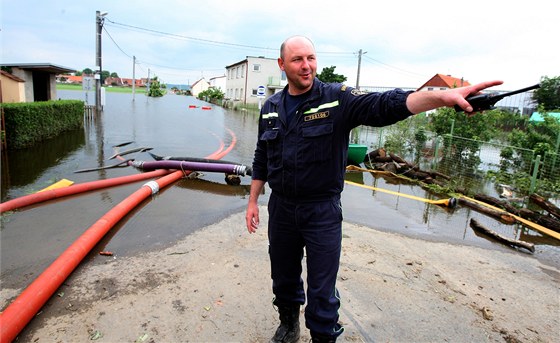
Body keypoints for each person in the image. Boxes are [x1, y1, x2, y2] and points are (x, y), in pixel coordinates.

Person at [245, 35, 502, 343]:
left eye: (311, 58)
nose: (306, 66)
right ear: (282, 64)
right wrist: (252, 202)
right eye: (298, 59)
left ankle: (323, 337)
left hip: (321, 211)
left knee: (322, 289)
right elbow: (262, 156)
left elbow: (385, 104)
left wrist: (443, 97)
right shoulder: (271, 107)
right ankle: (288, 324)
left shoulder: (337, 98)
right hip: (282, 209)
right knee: (283, 276)